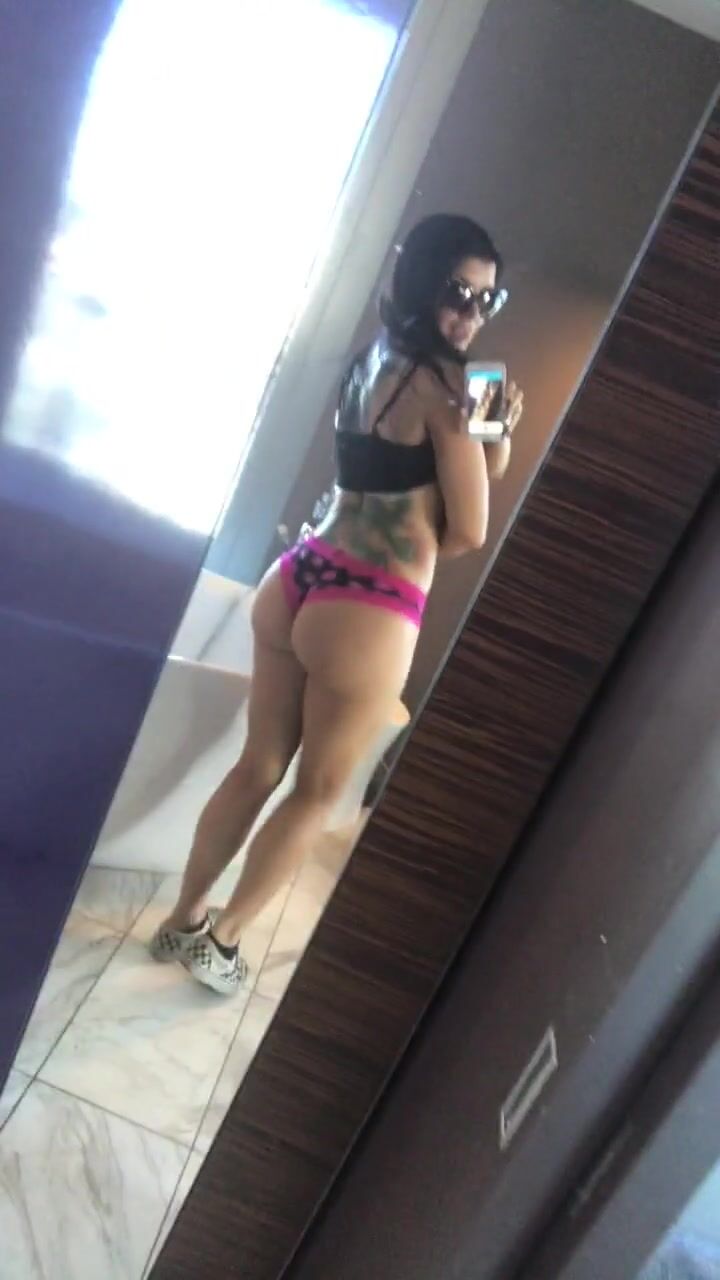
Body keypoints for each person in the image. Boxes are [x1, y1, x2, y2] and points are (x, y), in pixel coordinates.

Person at [150, 213, 524, 993]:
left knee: (258, 764)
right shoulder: (454, 386)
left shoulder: (373, 357)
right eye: (457, 292)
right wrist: (480, 446)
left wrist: (496, 432)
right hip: (369, 604)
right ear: (422, 281)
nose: (471, 313)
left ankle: (181, 919)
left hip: (300, 574)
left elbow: (450, 465)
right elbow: (469, 530)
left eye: (488, 299)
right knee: (317, 792)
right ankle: (220, 945)